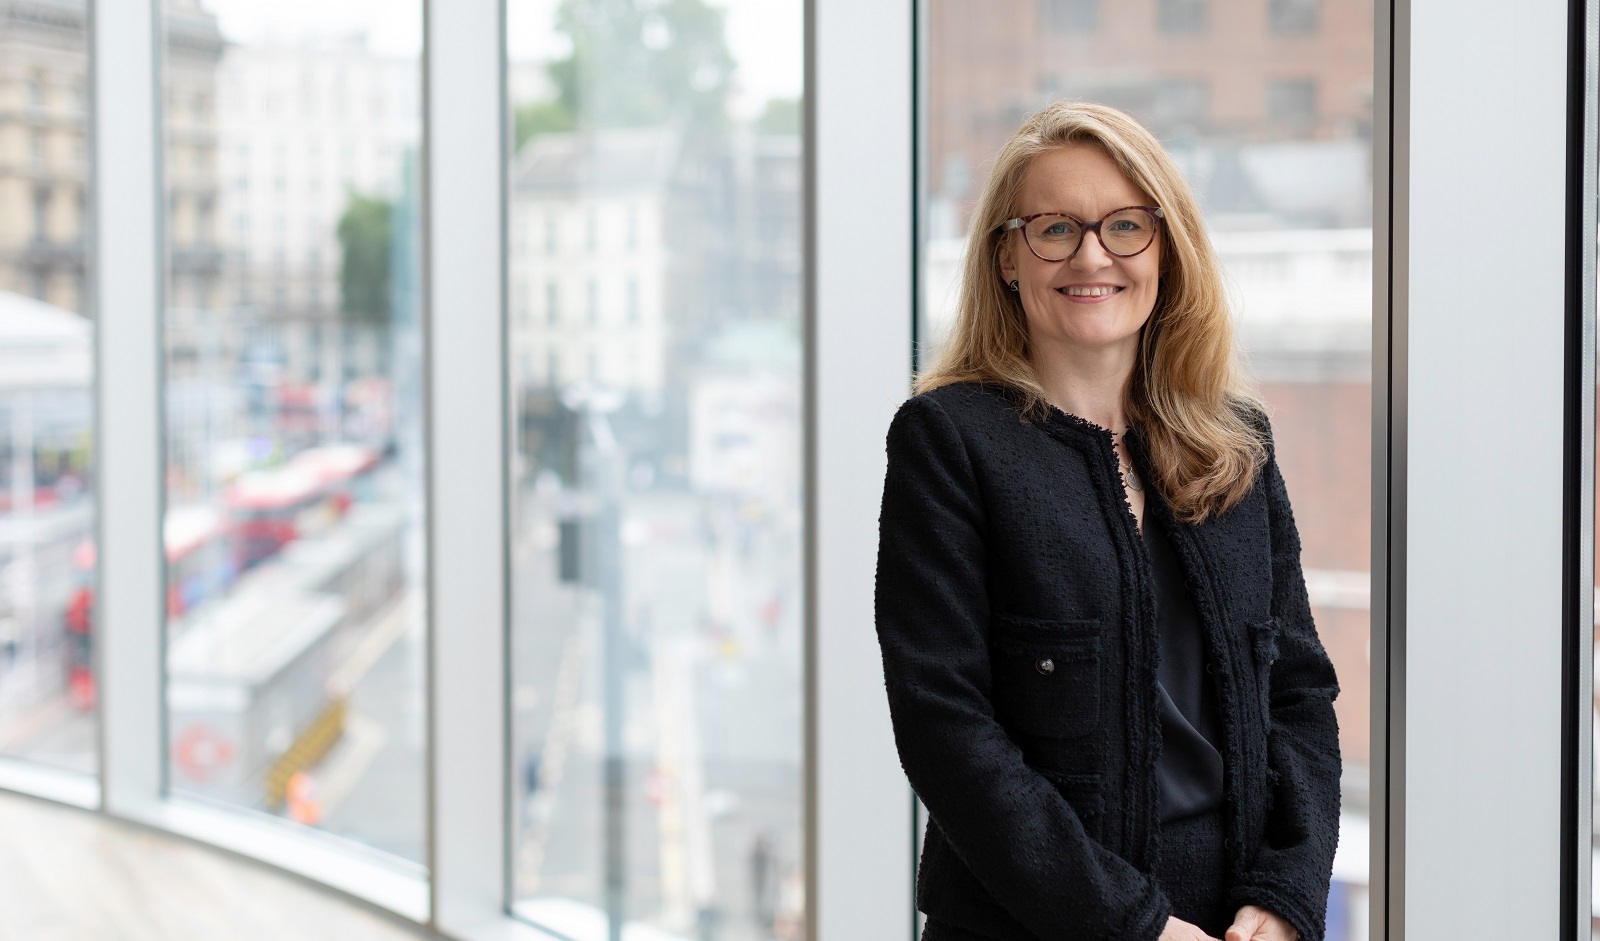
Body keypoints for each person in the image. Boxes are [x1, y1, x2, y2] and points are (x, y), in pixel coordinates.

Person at [874, 100, 1341, 941]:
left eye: (1125, 225)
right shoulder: (949, 442)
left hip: (1232, 920)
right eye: (1054, 228)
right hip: (1033, 924)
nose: (1092, 254)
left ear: (1165, 247)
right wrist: (1134, 926)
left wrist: (1286, 892)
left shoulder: (1234, 442)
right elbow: (946, 726)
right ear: (1008, 257)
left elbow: (1298, 692)